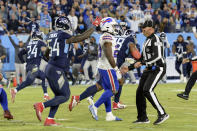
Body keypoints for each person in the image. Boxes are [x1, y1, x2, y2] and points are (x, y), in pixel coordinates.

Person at [33, 16, 94, 126]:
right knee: (65, 95)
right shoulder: (63, 35)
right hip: (56, 69)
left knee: (58, 95)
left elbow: (47, 52)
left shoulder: (51, 35)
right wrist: (94, 26)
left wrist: (51, 61)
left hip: (50, 67)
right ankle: (41, 105)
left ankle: (50, 119)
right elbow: (81, 37)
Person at [68, 21, 141, 111]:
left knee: (101, 85)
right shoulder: (129, 40)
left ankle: (80, 98)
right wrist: (141, 58)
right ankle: (98, 106)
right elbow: (136, 55)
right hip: (112, 65)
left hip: (104, 63)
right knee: (114, 86)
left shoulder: (112, 37)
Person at [128, 19, 169, 125]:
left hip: (158, 68)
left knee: (148, 90)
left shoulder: (155, 38)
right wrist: (130, 67)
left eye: (144, 27)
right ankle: (142, 117)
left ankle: (162, 113)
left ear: (150, 29)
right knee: (139, 92)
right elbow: (142, 58)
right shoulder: (147, 40)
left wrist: (143, 63)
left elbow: (158, 56)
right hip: (149, 69)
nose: (142, 29)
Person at [87, 17, 122, 121]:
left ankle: (109, 115)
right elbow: (108, 54)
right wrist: (116, 69)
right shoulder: (107, 37)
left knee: (107, 89)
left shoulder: (105, 36)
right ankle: (94, 106)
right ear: (107, 26)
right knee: (114, 89)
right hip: (108, 67)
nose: (115, 28)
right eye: (113, 25)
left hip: (103, 67)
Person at [10, 31, 50, 103]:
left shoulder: (28, 44)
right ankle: (45, 95)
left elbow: (20, 54)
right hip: (34, 66)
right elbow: (45, 51)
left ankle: (15, 91)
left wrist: (24, 62)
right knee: (38, 78)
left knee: (32, 80)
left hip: (28, 66)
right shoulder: (40, 43)